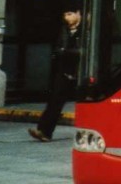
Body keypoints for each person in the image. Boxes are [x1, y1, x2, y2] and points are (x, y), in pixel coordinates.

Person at [29, 8, 82, 143]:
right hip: (64, 72)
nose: (66, 17)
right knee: (54, 101)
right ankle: (44, 131)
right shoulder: (64, 30)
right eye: (64, 14)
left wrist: (66, 52)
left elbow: (82, 52)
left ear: (78, 14)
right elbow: (58, 49)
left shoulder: (86, 31)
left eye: (69, 14)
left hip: (80, 73)